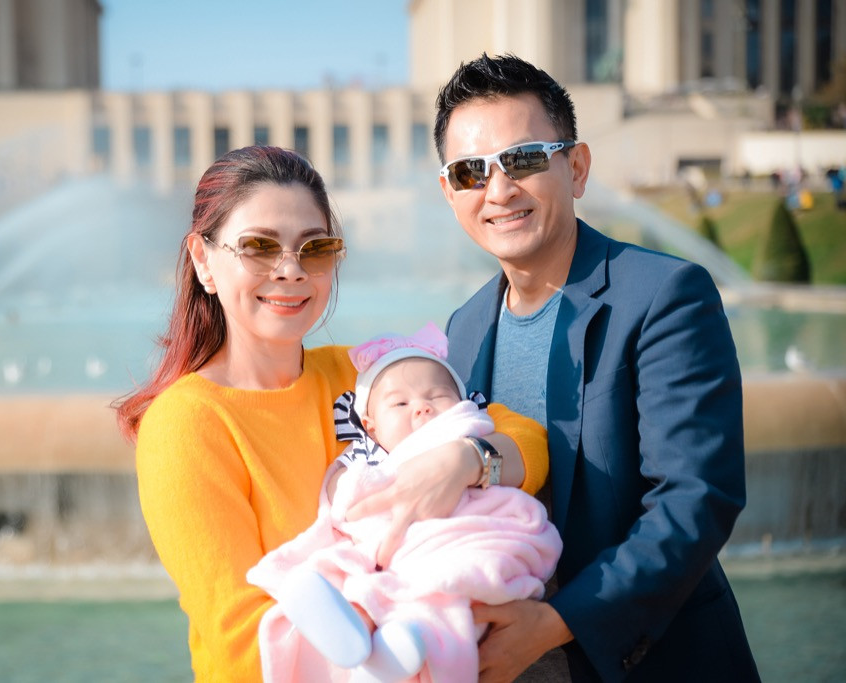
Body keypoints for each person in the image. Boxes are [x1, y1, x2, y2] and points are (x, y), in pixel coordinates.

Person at [114, 145, 548, 682]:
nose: (291, 270)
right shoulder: (186, 424)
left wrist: (463, 461)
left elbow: (523, 436)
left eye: (314, 248)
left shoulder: (365, 376)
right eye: (259, 246)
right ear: (203, 260)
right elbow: (240, 640)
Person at [433, 54, 761, 682]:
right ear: (450, 193)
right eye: (470, 171)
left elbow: (696, 500)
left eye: (524, 159)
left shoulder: (665, 295)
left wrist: (556, 624)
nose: (498, 191)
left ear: (577, 167)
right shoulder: (464, 328)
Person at [247, 323, 560, 682]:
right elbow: (346, 499)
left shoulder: (472, 430)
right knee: (351, 573)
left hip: (464, 539)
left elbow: (528, 438)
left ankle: (399, 649)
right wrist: (351, 487)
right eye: (400, 403)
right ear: (371, 426)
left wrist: (468, 458)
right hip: (392, 554)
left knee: (448, 588)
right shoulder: (368, 458)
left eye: (438, 396)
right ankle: (354, 633)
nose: (423, 408)